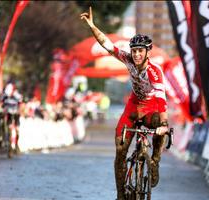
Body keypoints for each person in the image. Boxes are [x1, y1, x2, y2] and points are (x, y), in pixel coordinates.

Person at [81, 7, 169, 200]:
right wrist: (93, 26)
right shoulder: (127, 59)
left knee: (159, 126)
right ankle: (121, 194)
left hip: (152, 108)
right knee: (120, 151)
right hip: (133, 107)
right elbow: (107, 45)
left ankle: (154, 161)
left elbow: (162, 100)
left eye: (140, 51)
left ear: (147, 53)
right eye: (134, 50)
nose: (136, 54)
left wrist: (164, 124)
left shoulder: (155, 71)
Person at [0, 81, 23, 158]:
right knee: (8, 129)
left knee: (17, 130)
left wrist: (19, 110)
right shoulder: (4, 95)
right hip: (7, 114)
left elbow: (21, 105)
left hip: (15, 114)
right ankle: (6, 146)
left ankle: (16, 144)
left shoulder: (17, 95)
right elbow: (0, 104)